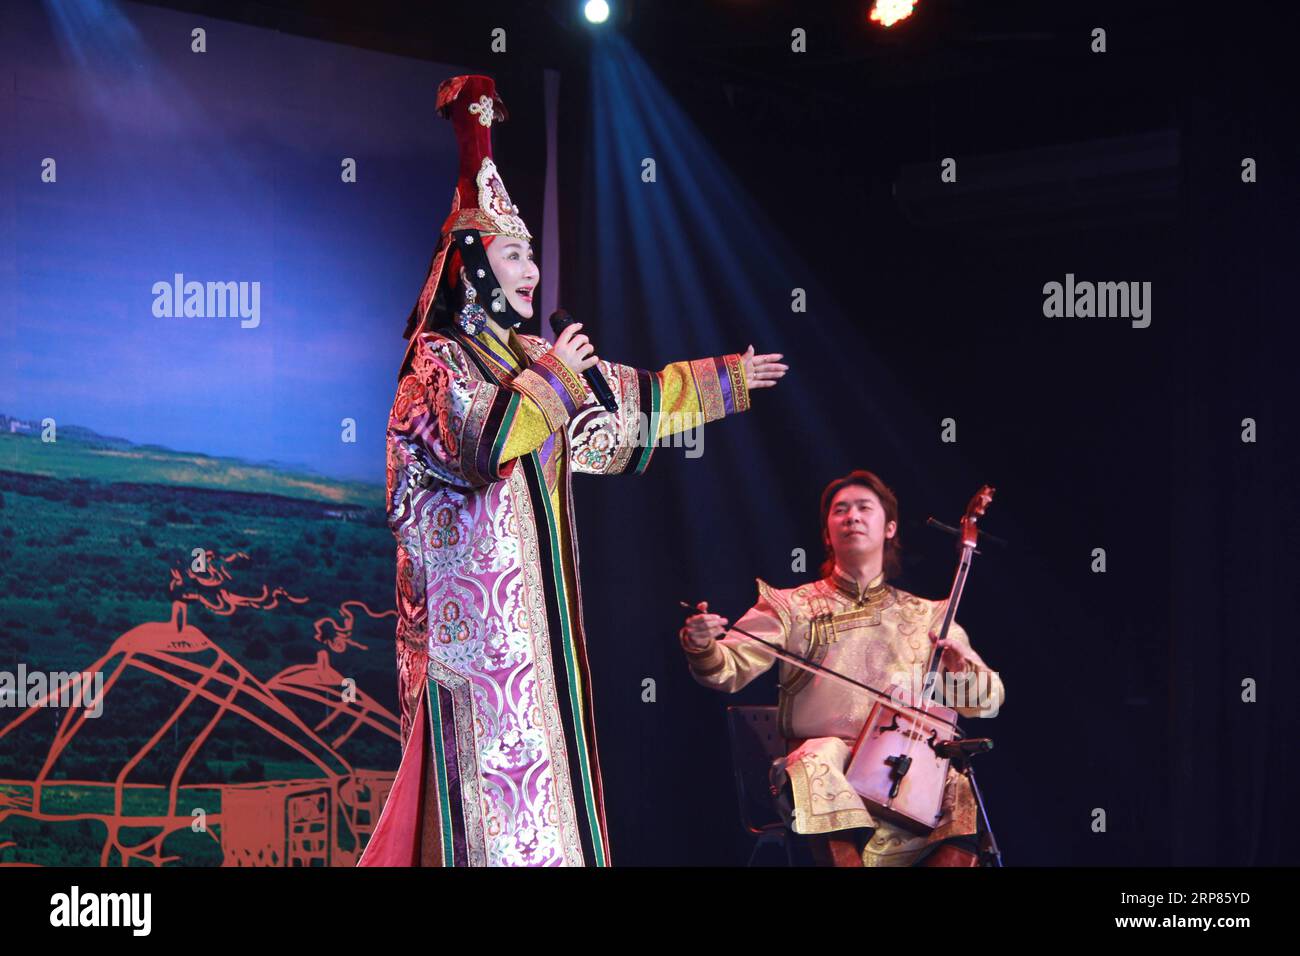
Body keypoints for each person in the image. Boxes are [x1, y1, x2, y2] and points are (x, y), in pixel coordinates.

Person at [358, 75, 787, 867]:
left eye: (530, 256)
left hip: (537, 643)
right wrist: (552, 379)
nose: (529, 273)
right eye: (512, 255)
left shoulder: (527, 360)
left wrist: (725, 381)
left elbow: (617, 414)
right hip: (473, 647)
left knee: (550, 808)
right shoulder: (437, 362)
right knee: (475, 820)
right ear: (468, 265)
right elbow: (482, 447)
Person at [679, 470, 1004, 867]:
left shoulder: (928, 615)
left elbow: (985, 703)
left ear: (890, 528)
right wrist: (703, 646)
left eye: (864, 508)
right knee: (820, 755)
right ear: (827, 534)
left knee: (959, 789)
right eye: (840, 510)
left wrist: (961, 670)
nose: (852, 516)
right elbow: (729, 668)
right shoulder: (791, 606)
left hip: (903, 772)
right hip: (824, 772)